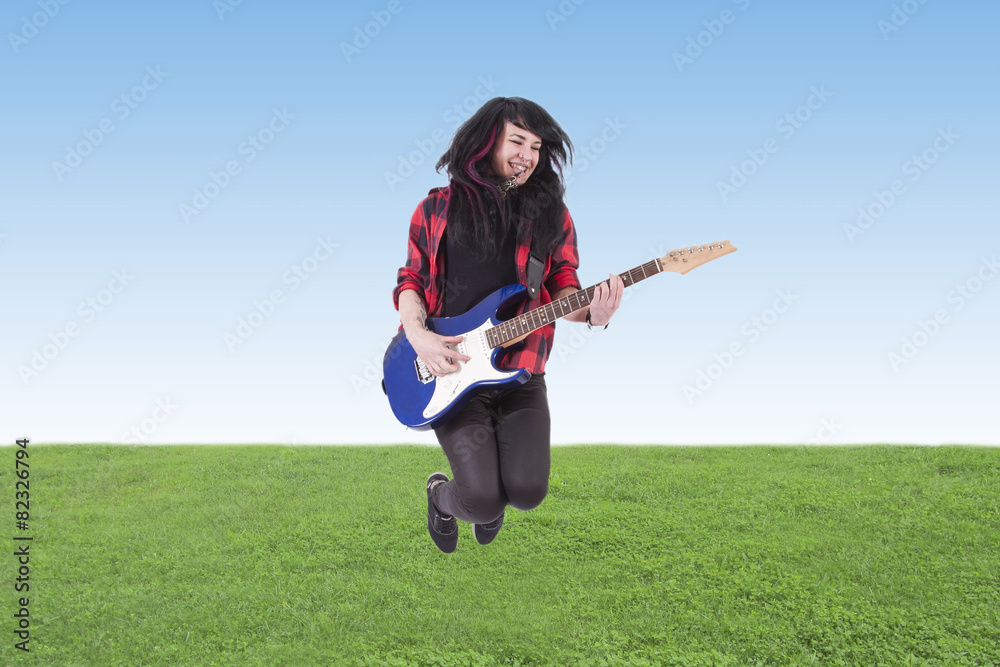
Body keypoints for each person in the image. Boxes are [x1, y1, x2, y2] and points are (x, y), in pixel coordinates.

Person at [392, 97, 623, 553]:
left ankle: (490, 497)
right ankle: (442, 497)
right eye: (517, 140)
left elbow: (563, 289)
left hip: (520, 373)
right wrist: (418, 338)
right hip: (451, 374)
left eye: (537, 146)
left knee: (528, 492)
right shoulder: (435, 209)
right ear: (485, 142)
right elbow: (410, 281)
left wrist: (593, 313)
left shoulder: (551, 215)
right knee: (481, 501)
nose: (527, 154)